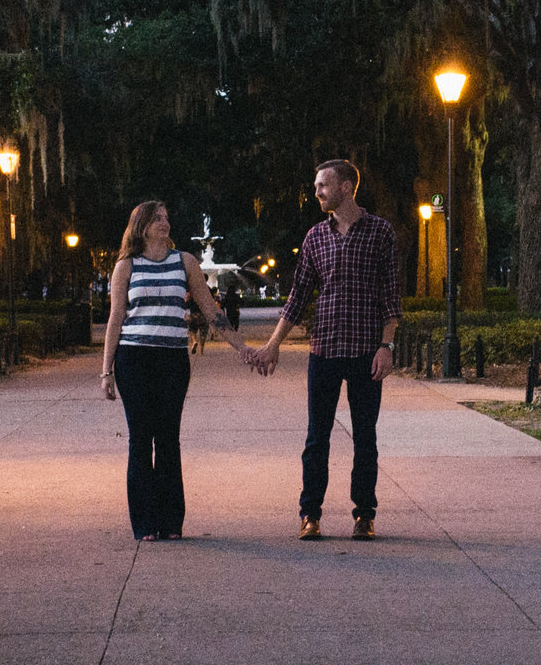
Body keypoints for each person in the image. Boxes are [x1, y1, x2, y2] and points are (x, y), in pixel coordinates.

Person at [248, 161, 402, 541]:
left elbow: (390, 297)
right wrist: (272, 344)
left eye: (322, 186)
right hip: (325, 350)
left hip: (366, 350)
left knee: (365, 437)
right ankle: (310, 514)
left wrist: (387, 346)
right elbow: (298, 298)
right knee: (317, 437)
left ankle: (364, 514)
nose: (316, 192)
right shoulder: (316, 236)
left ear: (346, 187)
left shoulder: (381, 232)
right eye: (316, 186)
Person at [100, 201, 246, 542]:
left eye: (166, 217)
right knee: (140, 440)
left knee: (167, 439)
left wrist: (242, 348)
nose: (164, 223)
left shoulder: (186, 262)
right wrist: (105, 371)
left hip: (172, 361)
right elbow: (115, 318)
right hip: (133, 360)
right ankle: (145, 523)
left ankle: (170, 521)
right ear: (141, 225)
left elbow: (211, 311)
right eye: (157, 218)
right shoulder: (126, 266)